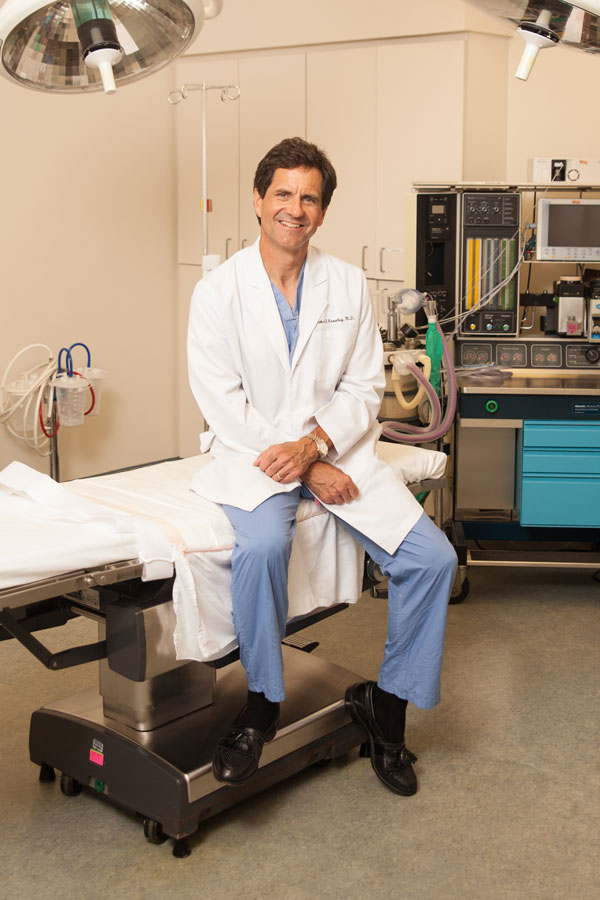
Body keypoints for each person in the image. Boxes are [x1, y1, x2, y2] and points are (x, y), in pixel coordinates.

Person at [187, 137, 457, 796]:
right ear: (259, 201)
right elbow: (224, 403)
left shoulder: (345, 283)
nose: (295, 209)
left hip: (336, 446)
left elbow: (364, 386)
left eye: (309, 198)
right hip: (253, 457)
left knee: (433, 560)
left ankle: (385, 710)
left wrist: (317, 448)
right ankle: (260, 708)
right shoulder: (217, 293)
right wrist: (307, 468)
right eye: (283, 193)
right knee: (258, 550)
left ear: (323, 212)